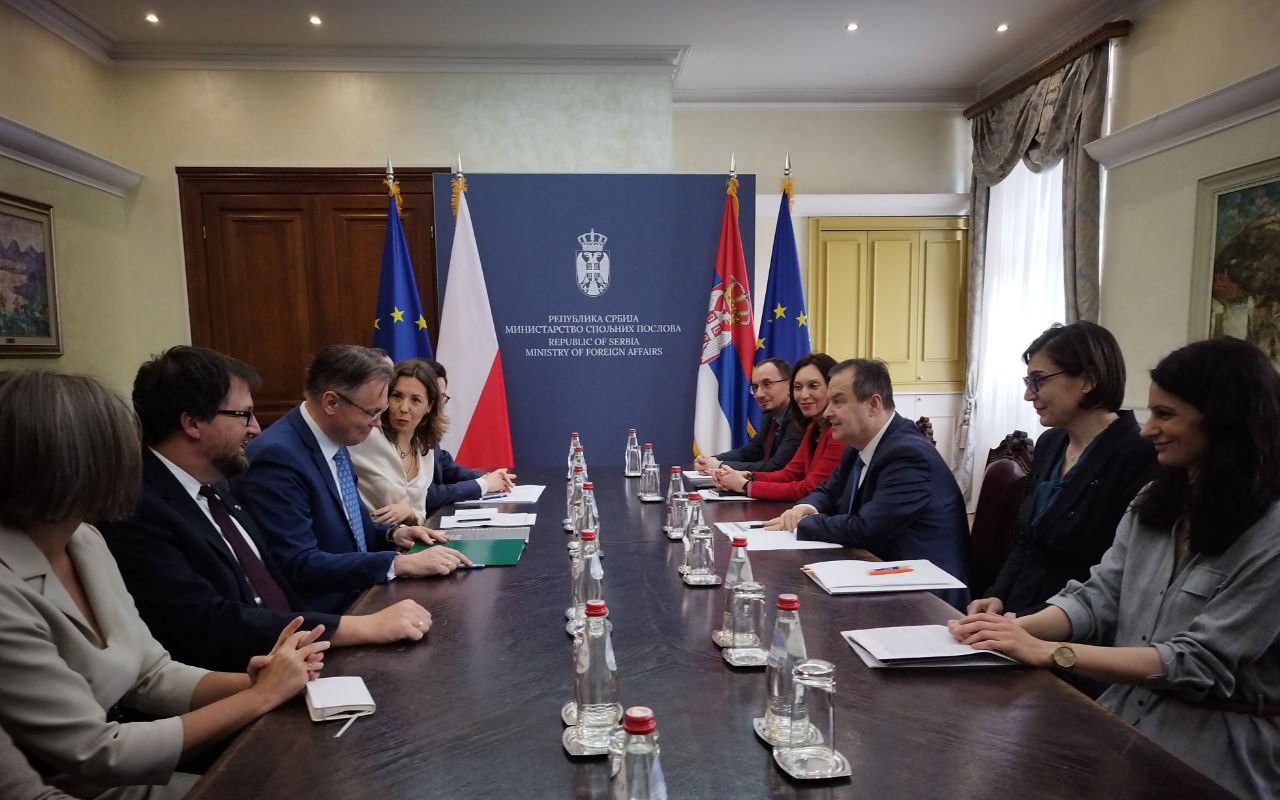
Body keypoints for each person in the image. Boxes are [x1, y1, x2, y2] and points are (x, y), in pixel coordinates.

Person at [949, 337, 1280, 800]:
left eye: (1165, 415)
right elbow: (1099, 595)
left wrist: (1049, 651)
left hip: (1217, 750)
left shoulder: (1270, 533)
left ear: (1223, 421)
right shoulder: (1155, 501)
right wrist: (1007, 632)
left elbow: (1193, 660)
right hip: (1125, 720)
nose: (1147, 429)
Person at [0, 370, 326, 800]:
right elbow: (98, 753)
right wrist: (260, 697)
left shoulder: (83, 540)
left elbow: (151, 673)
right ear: (68, 466)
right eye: (118, 449)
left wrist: (258, 681)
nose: (134, 462)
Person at [99, 346, 433, 674]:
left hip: (301, 650)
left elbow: (275, 584)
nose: (256, 428)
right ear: (192, 423)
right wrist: (361, 626)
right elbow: (213, 620)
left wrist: (392, 536)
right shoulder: (138, 510)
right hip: (251, 674)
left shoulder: (213, 487)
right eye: (243, 414)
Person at [236, 345, 470, 615]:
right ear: (331, 402)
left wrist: (393, 534)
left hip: (360, 593)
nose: (378, 424)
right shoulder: (277, 457)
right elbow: (298, 563)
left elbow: (349, 528)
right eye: (372, 413)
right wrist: (398, 563)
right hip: (323, 616)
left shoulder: (336, 437)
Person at [968, 322, 1155, 617]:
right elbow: (1026, 541)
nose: (1029, 395)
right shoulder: (1051, 443)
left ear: (1088, 380)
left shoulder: (1138, 454)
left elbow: (1112, 574)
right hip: (1016, 614)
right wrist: (997, 596)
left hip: (1075, 625)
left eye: (1038, 381)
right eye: (1028, 382)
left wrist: (1027, 623)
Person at [766, 358, 970, 607]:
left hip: (926, 597)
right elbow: (828, 491)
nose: (827, 413)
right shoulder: (858, 445)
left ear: (874, 404)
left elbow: (866, 529)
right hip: (876, 573)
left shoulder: (907, 454)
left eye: (838, 401)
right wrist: (805, 508)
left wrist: (804, 523)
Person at [711, 353, 847, 501]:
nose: (803, 395)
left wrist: (745, 486)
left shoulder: (839, 433)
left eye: (813, 386)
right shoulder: (813, 428)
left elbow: (811, 489)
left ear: (832, 387)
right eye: (798, 387)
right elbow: (789, 474)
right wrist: (748, 476)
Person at [349, 359, 445, 525]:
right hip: (368, 537)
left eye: (415, 400)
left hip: (407, 537)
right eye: (397, 396)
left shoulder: (425, 449)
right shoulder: (365, 436)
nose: (404, 408)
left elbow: (420, 515)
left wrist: (409, 513)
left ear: (429, 407)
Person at [421, 359, 517, 510]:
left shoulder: (425, 429)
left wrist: (487, 479)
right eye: (434, 397)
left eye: (442, 397)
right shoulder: (403, 434)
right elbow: (424, 496)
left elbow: (445, 466)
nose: (437, 406)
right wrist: (483, 484)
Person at [694, 358, 802, 474]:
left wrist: (719, 465)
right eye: (755, 387)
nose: (759, 394)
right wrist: (710, 461)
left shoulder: (798, 419)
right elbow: (747, 453)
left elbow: (778, 466)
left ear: (790, 386)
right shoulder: (771, 417)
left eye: (767, 384)